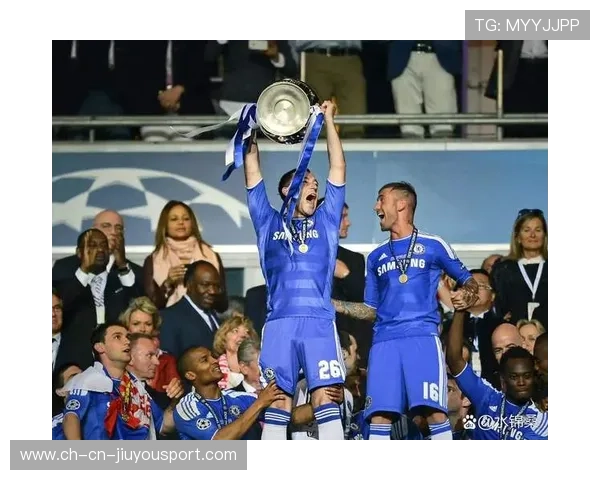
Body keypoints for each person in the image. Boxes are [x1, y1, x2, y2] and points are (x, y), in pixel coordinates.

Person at [333, 181, 479, 440]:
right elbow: (370, 310)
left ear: (401, 204)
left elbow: (470, 282)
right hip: (384, 343)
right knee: (379, 416)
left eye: (381, 199)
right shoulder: (376, 256)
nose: (375, 206)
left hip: (421, 338)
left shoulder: (434, 245)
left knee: (434, 413)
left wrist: (466, 294)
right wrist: (336, 305)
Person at [243, 100, 347, 440]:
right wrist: (249, 127)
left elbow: (338, 167)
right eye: (307, 182)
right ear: (287, 190)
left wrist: (328, 120)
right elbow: (252, 171)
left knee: (326, 397)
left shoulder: (327, 221)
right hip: (279, 325)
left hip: (318, 323)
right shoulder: (267, 221)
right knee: (278, 400)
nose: (314, 186)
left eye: (316, 184)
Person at [447, 310, 548, 440]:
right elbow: (454, 360)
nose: (521, 382)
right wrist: (460, 311)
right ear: (503, 380)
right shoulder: (486, 396)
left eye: (527, 376)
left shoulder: (542, 423)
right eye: (514, 377)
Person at [173, 346, 284, 440]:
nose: (215, 361)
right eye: (205, 360)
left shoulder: (240, 397)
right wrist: (259, 404)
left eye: (212, 356)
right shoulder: (187, 408)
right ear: (191, 375)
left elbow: (283, 412)